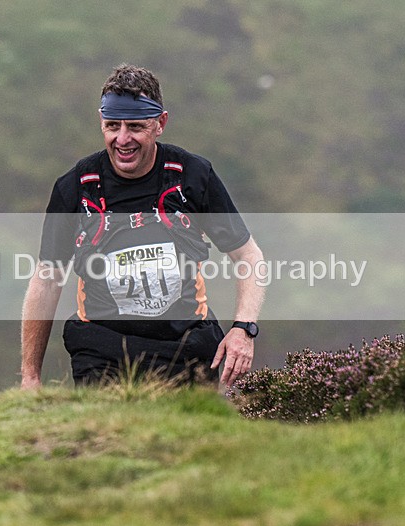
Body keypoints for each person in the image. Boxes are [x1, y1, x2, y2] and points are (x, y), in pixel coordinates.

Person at [20, 64, 264, 389]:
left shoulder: (192, 177)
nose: (122, 139)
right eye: (112, 126)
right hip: (100, 348)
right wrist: (30, 375)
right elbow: (48, 279)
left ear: (160, 123)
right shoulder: (75, 187)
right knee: (108, 437)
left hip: (185, 346)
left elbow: (248, 257)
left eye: (135, 126)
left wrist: (243, 329)